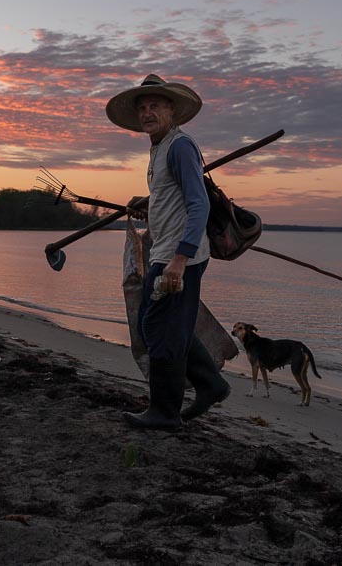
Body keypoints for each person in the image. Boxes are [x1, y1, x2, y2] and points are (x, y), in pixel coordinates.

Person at [106, 74, 231, 430]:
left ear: (172, 110)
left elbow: (198, 204)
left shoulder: (180, 146)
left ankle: (165, 412)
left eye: (155, 105)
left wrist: (179, 261)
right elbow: (174, 194)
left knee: (160, 332)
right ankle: (210, 384)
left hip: (180, 257)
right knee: (158, 325)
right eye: (142, 107)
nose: (147, 112)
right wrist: (149, 201)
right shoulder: (160, 148)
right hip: (166, 251)